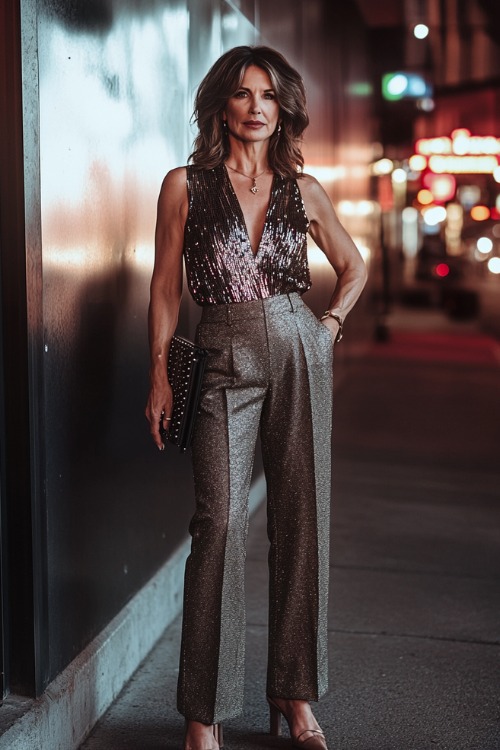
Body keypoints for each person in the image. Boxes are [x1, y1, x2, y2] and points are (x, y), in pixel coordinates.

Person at [145, 45, 367, 750]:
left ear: (284, 109)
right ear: (221, 104)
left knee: (303, 519)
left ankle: (294, 694)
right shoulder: (185, 184)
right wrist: (157, 373)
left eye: (268, 96)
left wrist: (327, 326)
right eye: (242, 95)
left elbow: (354, 267)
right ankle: (203, 713)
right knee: (218, 525)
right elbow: (161, 288)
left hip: (299, 346)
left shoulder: (305, 189)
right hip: (218, 358)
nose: (255, 108)